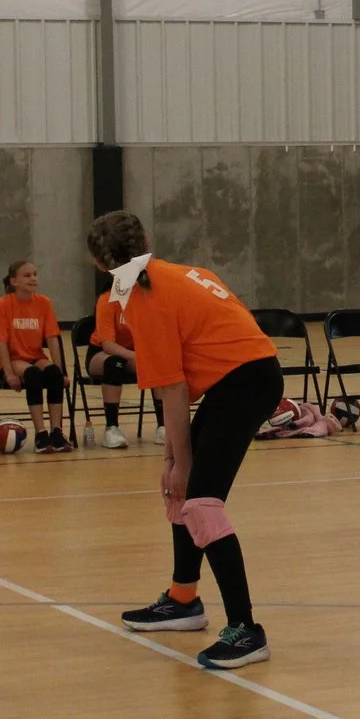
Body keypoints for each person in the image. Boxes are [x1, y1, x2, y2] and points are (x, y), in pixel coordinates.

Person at [91, 210, 283, 671]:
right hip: (246, 377)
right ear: (147, 240)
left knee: (201, 502)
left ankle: (246, 630)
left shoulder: (145, 299)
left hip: (244, 383)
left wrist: (177, 459)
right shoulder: (185, 272)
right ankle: (183, 599)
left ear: (100, 263)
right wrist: (176, 464)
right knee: (182, 493)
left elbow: (172, 391)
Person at [0, 260, 72, 453]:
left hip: (35, 355)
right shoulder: (4, 304)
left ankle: (56, 431)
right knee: (33, 374)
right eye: (27, 275)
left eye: (35, 274)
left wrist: (61, 373)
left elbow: (52, 340)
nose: (33, 278)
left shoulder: (44, 303)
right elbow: (1, 342)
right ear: (14, 281)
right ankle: (41, 433)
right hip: (12, 360)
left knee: (52, 374)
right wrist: (9, 374)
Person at [89, 283, 139, 449]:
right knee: (115, 363)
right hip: (102, 353)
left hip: (132, 353)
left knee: (158, 364)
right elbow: (108, 345)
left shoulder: (143, 301)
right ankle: (111, 428)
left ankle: (163, 426)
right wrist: (136, 357)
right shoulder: (107, 300)